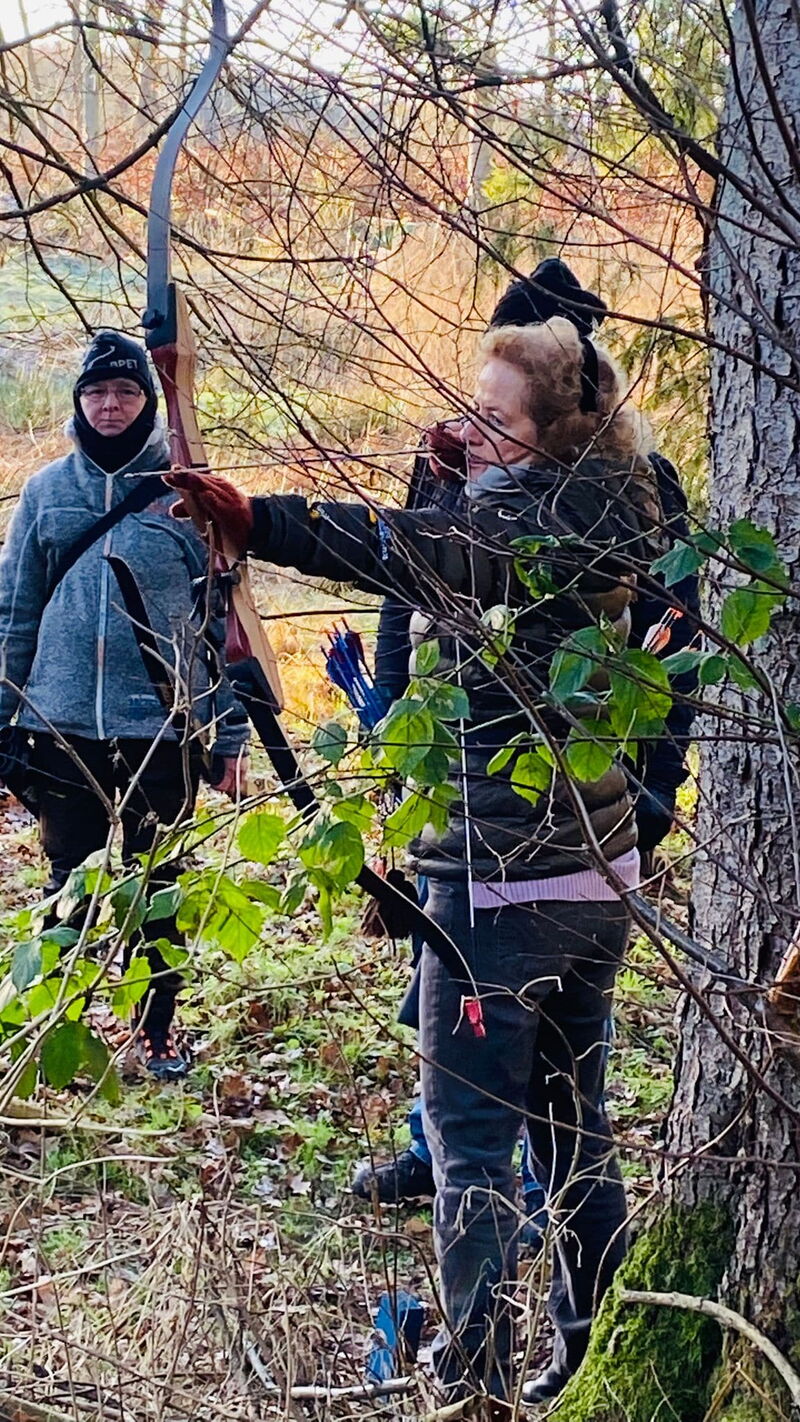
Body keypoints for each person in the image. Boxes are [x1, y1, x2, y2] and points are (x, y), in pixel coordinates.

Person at [168, 313, 666, 1407]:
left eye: (495, 420)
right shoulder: (601, 508)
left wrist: (264, 521)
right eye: (471, 412)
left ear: (552, 436)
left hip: (501, 890)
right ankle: (587, 1357)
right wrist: (443, 478)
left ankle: (476, 1376)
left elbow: (421, 557)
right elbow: (455, 566)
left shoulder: (521, 531)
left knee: (471, 1141)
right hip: (593, 881)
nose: (471, 431)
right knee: (573, 1130)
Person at [353, 258, 698, 1210]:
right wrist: (393, 753)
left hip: (553, 830)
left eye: (502, 406)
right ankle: (451, 1160)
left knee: (528, 1101)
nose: (479, 418)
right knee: (501, 1070)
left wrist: (655, 786)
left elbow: (675, 647)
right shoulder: (465, 471)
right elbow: (411, 602)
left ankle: (491, 1320)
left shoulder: (631, 490)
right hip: (475, 818)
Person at [0, 331, 248, 1081]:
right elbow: (15, 612)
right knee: (67, 885)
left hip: (162, 729)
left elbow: (224, 628)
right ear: (78, 400)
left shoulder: (187, 494)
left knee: (157, 889)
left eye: (127, 392)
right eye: (97, 392)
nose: (110, 406)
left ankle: (157, 1031)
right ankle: (56, 1024)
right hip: (60, 728)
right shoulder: (47, 493)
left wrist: (229, 737)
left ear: (149, 401)